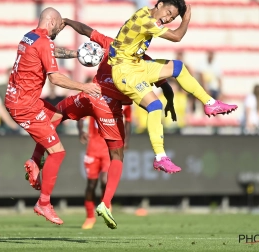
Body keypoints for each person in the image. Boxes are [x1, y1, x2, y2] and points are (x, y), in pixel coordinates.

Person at [26, 18, 176, 229]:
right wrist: (169, 100)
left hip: (91, 95)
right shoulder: (143, 60)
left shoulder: (110, 43)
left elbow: (86, 30)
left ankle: (35, 159)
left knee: (57, 112)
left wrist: (67, 21)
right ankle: (105, 204)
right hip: (108, 106)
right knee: (117, 155)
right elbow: (165, 84)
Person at [108, 0, 237, 182]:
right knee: (155, 106)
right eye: (168, 12)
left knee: (178, 67)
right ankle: (160, 157)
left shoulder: (146, 13)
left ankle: (210, 103)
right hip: (125, 72)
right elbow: (177, 37)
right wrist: (185, 20)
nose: (168, 19)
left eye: (172, 17)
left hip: (136, 65)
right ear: (159, 4)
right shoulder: (145, 20)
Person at [6, 7, 101, 226]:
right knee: (57, 153)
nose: (60, 29)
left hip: (21, 100)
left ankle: (34, 160)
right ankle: (44, 203)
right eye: (60, 25)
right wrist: (84, 87)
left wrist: (76, 54)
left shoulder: (30, 36)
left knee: (58, 113)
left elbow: (49, 51)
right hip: (24, 106)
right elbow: (56, 79)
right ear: (52, 22)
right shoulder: (43, 41)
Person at [78, 105, 132, 229]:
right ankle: (90, 217)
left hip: (109, 148)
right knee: (91, 185)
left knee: (104, 180)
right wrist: (81, 131)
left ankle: (106, 203)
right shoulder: (94, 101)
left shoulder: (124, 102)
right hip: (92, 148)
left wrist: (127, 140)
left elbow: (128, 121)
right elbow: (81, 117)